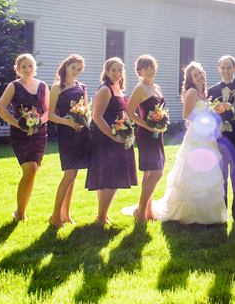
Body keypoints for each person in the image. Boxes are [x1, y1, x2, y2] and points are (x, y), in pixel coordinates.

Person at [150, 62, 228, 223]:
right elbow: (186, 115)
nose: (199, 76)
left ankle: (209, 212)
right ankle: (189, 212)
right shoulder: (192, 92)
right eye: (195, 74)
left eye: (200, 73)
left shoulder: (203, 93)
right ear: (190, 79)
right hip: (197, 136)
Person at [0, 53, 49, 223]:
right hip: (20, 134)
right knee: (30, 170)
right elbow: (1, 109)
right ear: (17, 69)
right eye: (23, 66)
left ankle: (20, 212)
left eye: (30, 66)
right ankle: (21, 213)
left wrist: (40, 121)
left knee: (32, 173)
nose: (27, 69)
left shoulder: (43, 86)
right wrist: (19, 124)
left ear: (35, 68)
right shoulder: (13, 86)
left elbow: (48, 111)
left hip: (40, 134)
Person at [87, 58, 137, 224]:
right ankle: (101, 218)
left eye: (120, 70)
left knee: (108, 178)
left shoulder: (120, 89)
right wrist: (112, 135)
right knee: (111, 178)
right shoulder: (105, 90)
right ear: (107, 72)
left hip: (119, 137)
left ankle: (102, 214)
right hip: (107, 139)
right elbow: (97, 117)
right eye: (114, 70)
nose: (117, 73)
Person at [48, 54, 91, 228]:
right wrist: (67, 121)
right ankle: (55, 215)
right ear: (67, 66)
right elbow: (51, 115)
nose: (76, 71)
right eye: (74, 67)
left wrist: (84, 120)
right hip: (67, 134)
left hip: (82, 134)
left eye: (79, 69)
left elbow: (86, 111)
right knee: (69, 174)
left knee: (74, 175)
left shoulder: (82, 87)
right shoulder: (58, 87)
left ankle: (65, 214)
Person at [207, 55, 235, 220]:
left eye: (229, 67)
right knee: (221, 177)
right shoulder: (211, 91)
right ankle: (222, 212)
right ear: (219, 70)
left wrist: (233, 121)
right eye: (223, 68)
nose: (226, 71)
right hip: (219, 141)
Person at [127, 55, 168, 221]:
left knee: (149, 174)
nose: (150, 70)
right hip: (146, 135)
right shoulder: (140, 88)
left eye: (152, 67)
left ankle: (148, 212)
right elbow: (130, 113)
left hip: (158, 134)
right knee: (157, 173)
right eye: (146, 68)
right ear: (140, 71)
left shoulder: (156, 87)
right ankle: (140, 211)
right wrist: (147, 125)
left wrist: (160, 123)